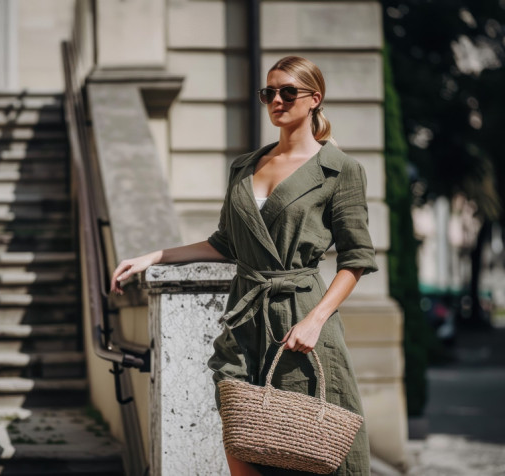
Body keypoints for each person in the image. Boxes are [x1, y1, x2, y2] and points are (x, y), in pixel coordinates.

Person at [109, 55, 378, 476]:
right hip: (244, 318)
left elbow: (356, 259)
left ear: (314, 99)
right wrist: (154, 256)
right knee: (242, 434)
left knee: (308, 443)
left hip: (299, 319)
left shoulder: (339, 170)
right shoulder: (244, 166)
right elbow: (226, 243)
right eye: (268, 92)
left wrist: (315, 321)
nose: (276, 100)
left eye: (288, 92)